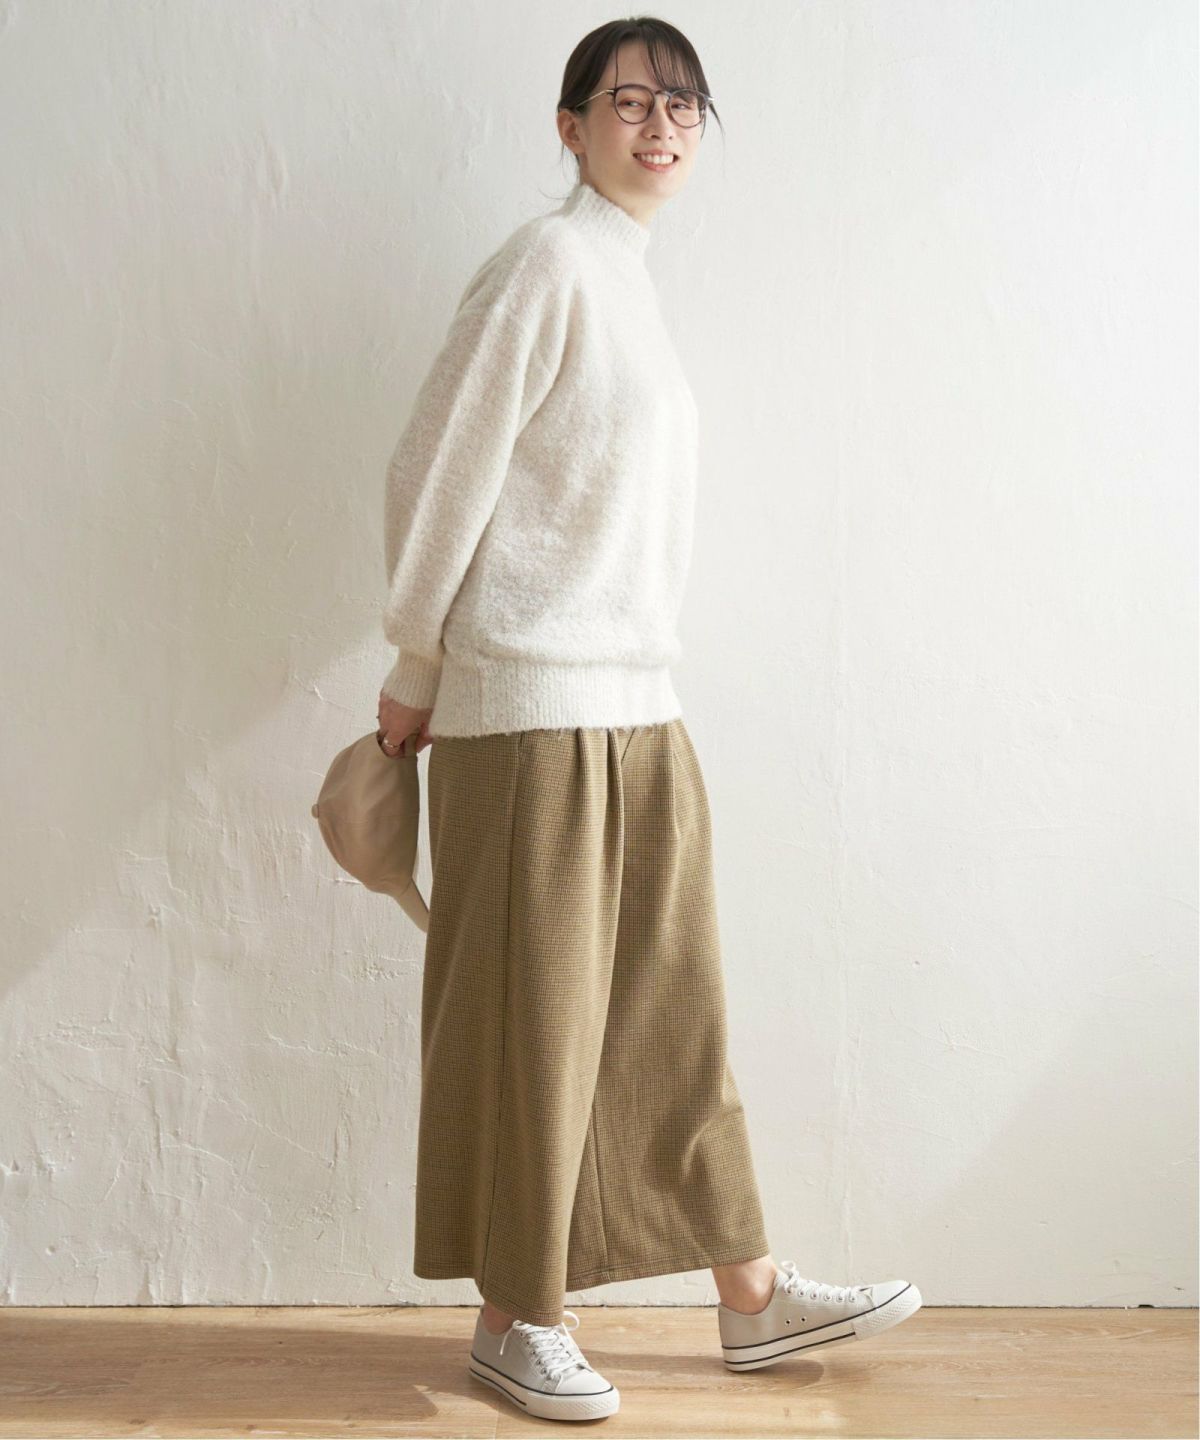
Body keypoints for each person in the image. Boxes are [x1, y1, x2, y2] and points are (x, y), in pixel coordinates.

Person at [375, 16, 920, 1424]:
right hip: (529, 711)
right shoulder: (545, 267)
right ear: (570, 128)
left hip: (639, 704)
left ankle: (750, 1293)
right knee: (538, 1028)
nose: (662, 124)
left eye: (684, 104)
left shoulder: (627, 282)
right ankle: (518, 1319)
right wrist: (418, 662)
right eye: (629, 100)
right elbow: (438, 469)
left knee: (672, 1017)